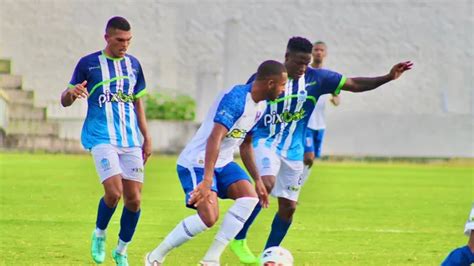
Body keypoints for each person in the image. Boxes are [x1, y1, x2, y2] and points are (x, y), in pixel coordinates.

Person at [230, 36, 413, 263]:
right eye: (298, 62)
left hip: (294, 150)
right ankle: (238, 237)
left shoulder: (318, 78)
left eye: (306, 63)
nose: (303, 67)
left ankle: (270, 255)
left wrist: (388, 77)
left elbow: (354, 85)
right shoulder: (267, 77)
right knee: (265, 184)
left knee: (288, 208)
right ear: (287, 57)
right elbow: (244, 102)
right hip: (265, 141)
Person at [144, 60, 288, 266]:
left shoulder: (262, 106)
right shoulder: (236, 98)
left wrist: (257, 179)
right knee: (208, 218)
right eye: (283, 85)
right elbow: (215, 138)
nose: (284, 91)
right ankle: (154, 257)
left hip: (223, 161)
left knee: (250, 198)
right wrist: (206, 180)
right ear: (271, 83)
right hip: (196, 161)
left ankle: (211, 259)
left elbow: (245, 145)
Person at [60, 16, 151, 266]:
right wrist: (71, 92)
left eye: (129, 41)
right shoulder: (88, 64)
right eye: (120, 40)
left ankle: (121, 250)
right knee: (114, 192)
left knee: (134, 200)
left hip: (131, 139)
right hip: (101, 137)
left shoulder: (133, 65)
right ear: (107, 37)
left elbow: (138, 103)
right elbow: (64, 99)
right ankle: (99, 233)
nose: (125, 45)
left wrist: (147, 137)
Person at [303, 41, 340, 168]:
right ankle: (294, 184)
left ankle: (298, 183)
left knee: (312, 159)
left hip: (320, 124)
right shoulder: (305, 72)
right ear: (312, 52)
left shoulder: (328, 76)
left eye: (321, 50)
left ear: (325, 53)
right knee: (308, 157)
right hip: (306, 122)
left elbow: (337, 99)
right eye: (316, 49)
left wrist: (334, 100)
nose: (318, 52)